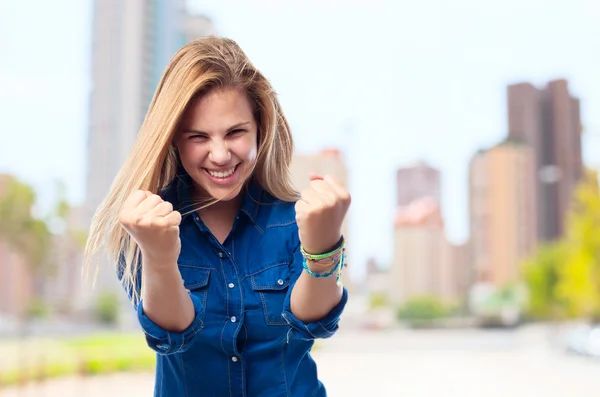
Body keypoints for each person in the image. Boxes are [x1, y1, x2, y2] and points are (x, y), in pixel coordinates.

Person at [84, 36, 351, 397]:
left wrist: (323, 246)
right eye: (199, 136)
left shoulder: (294, 220)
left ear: (260, 128)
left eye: (235, 132)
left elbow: (312, 323)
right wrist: (159, 258)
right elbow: (170, 335)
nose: (221, 154)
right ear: (174, 139)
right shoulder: (144, 225)